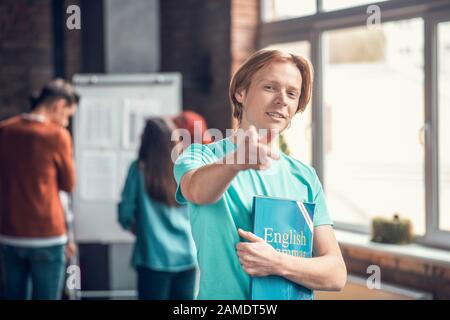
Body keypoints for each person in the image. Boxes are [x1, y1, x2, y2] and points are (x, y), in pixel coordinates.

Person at [174, 49, 347, 299]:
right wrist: (236, 162)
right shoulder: (200, 157)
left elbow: (336, 273)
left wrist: (277, 262)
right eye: (270, 87)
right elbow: (197, 191)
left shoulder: (305, 177)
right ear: (241, 93)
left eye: (291, 93)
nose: (282, 100)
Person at [0, 79, 79, 300]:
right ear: (59, 106)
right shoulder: (57, 136)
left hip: (10, 232)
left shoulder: (5, 130)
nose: (65, 123)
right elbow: (68, 184)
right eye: (67, 116)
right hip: (47, 234)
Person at [118, 117, 197, 300]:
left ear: (147, 140)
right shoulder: (185, 167)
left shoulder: (138, 169)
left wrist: (143, 229)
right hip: (187, 256)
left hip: (152, 258)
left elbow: (125, 214)